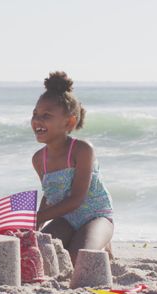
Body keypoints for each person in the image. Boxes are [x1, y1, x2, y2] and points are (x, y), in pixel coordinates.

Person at [31, 71, 113, 264]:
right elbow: (50, 194)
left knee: (79, 257)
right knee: (41, 252)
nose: (37, 120)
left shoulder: (82, 150)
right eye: (35, 114)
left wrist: (39, 217)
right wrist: (36, 225)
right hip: (67, 218)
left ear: (69, 122)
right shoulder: (38, 159)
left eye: (46, 116)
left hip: (96, 215)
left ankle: (104, 243)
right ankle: (82, 238)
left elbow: (77, 198)